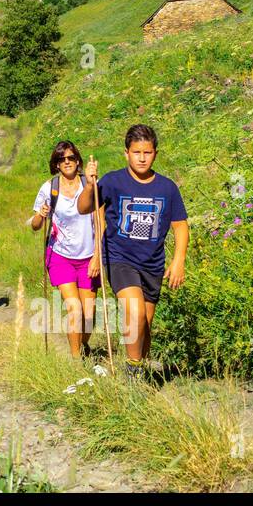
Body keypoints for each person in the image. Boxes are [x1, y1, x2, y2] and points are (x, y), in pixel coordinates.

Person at [76, 124, 187, 381]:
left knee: (144, 326)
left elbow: (180, 226)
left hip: (153, 264)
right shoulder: (113, 181)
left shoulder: (167, 188)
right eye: (136, 152)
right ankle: (133, 373)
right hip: (119, 259)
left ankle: (140, 370)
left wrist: (178, 260)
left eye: (147, 152)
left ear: (155, 154)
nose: (141, 157)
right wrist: (90, 186)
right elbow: (84, 208)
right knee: (134, 311)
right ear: (126, 153)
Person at [30, 140, 98, 359]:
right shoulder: (49, 188)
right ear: (56, 164)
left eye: (70, 158)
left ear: (77, 161)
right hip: (61, 256)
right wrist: (40, 214)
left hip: (88, 257)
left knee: (89, 314)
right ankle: (76, 358)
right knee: (75, 309)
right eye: (62, 159)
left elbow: (100, 221)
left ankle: (83, 345)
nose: (66, 162)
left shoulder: (89, 184)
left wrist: (98, 255)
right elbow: (35, 226)